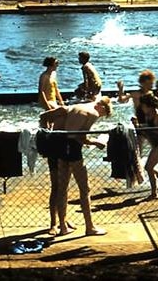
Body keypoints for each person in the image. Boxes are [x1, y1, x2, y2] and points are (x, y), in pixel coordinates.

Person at [40, 98, 112, 237]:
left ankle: (62, 227)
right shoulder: (93, 113)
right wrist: (96, 142)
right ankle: (89, 227)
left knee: (62, 188)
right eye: (104, 114)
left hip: (61, 146)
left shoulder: (74, 106)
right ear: (101, 107)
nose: (101, 117)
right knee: (84, 189)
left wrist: (48, 133)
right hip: (73, 149)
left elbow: (48, 118)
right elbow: (81, 137)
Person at [134, 93, 158, 200]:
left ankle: (154, 193)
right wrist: (139, 126)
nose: (142, 108)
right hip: (155, 143)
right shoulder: (147, 114)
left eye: (143, 106)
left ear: (149, 106)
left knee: (148, 167)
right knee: (150, 166)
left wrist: (146, 127)